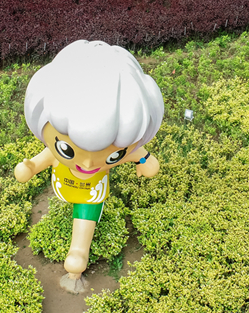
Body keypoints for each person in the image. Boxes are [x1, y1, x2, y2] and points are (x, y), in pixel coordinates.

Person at [14, 41, 163, 295]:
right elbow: (45, 157)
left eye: (112, 154)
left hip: (90, 195)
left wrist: (143, 160)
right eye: (68, 149)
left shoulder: (124, 146)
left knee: (82, 228)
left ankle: (77, 261)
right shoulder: (54, 149)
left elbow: (138, 155)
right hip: (64, 186)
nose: (87, 164)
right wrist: (30, 166)